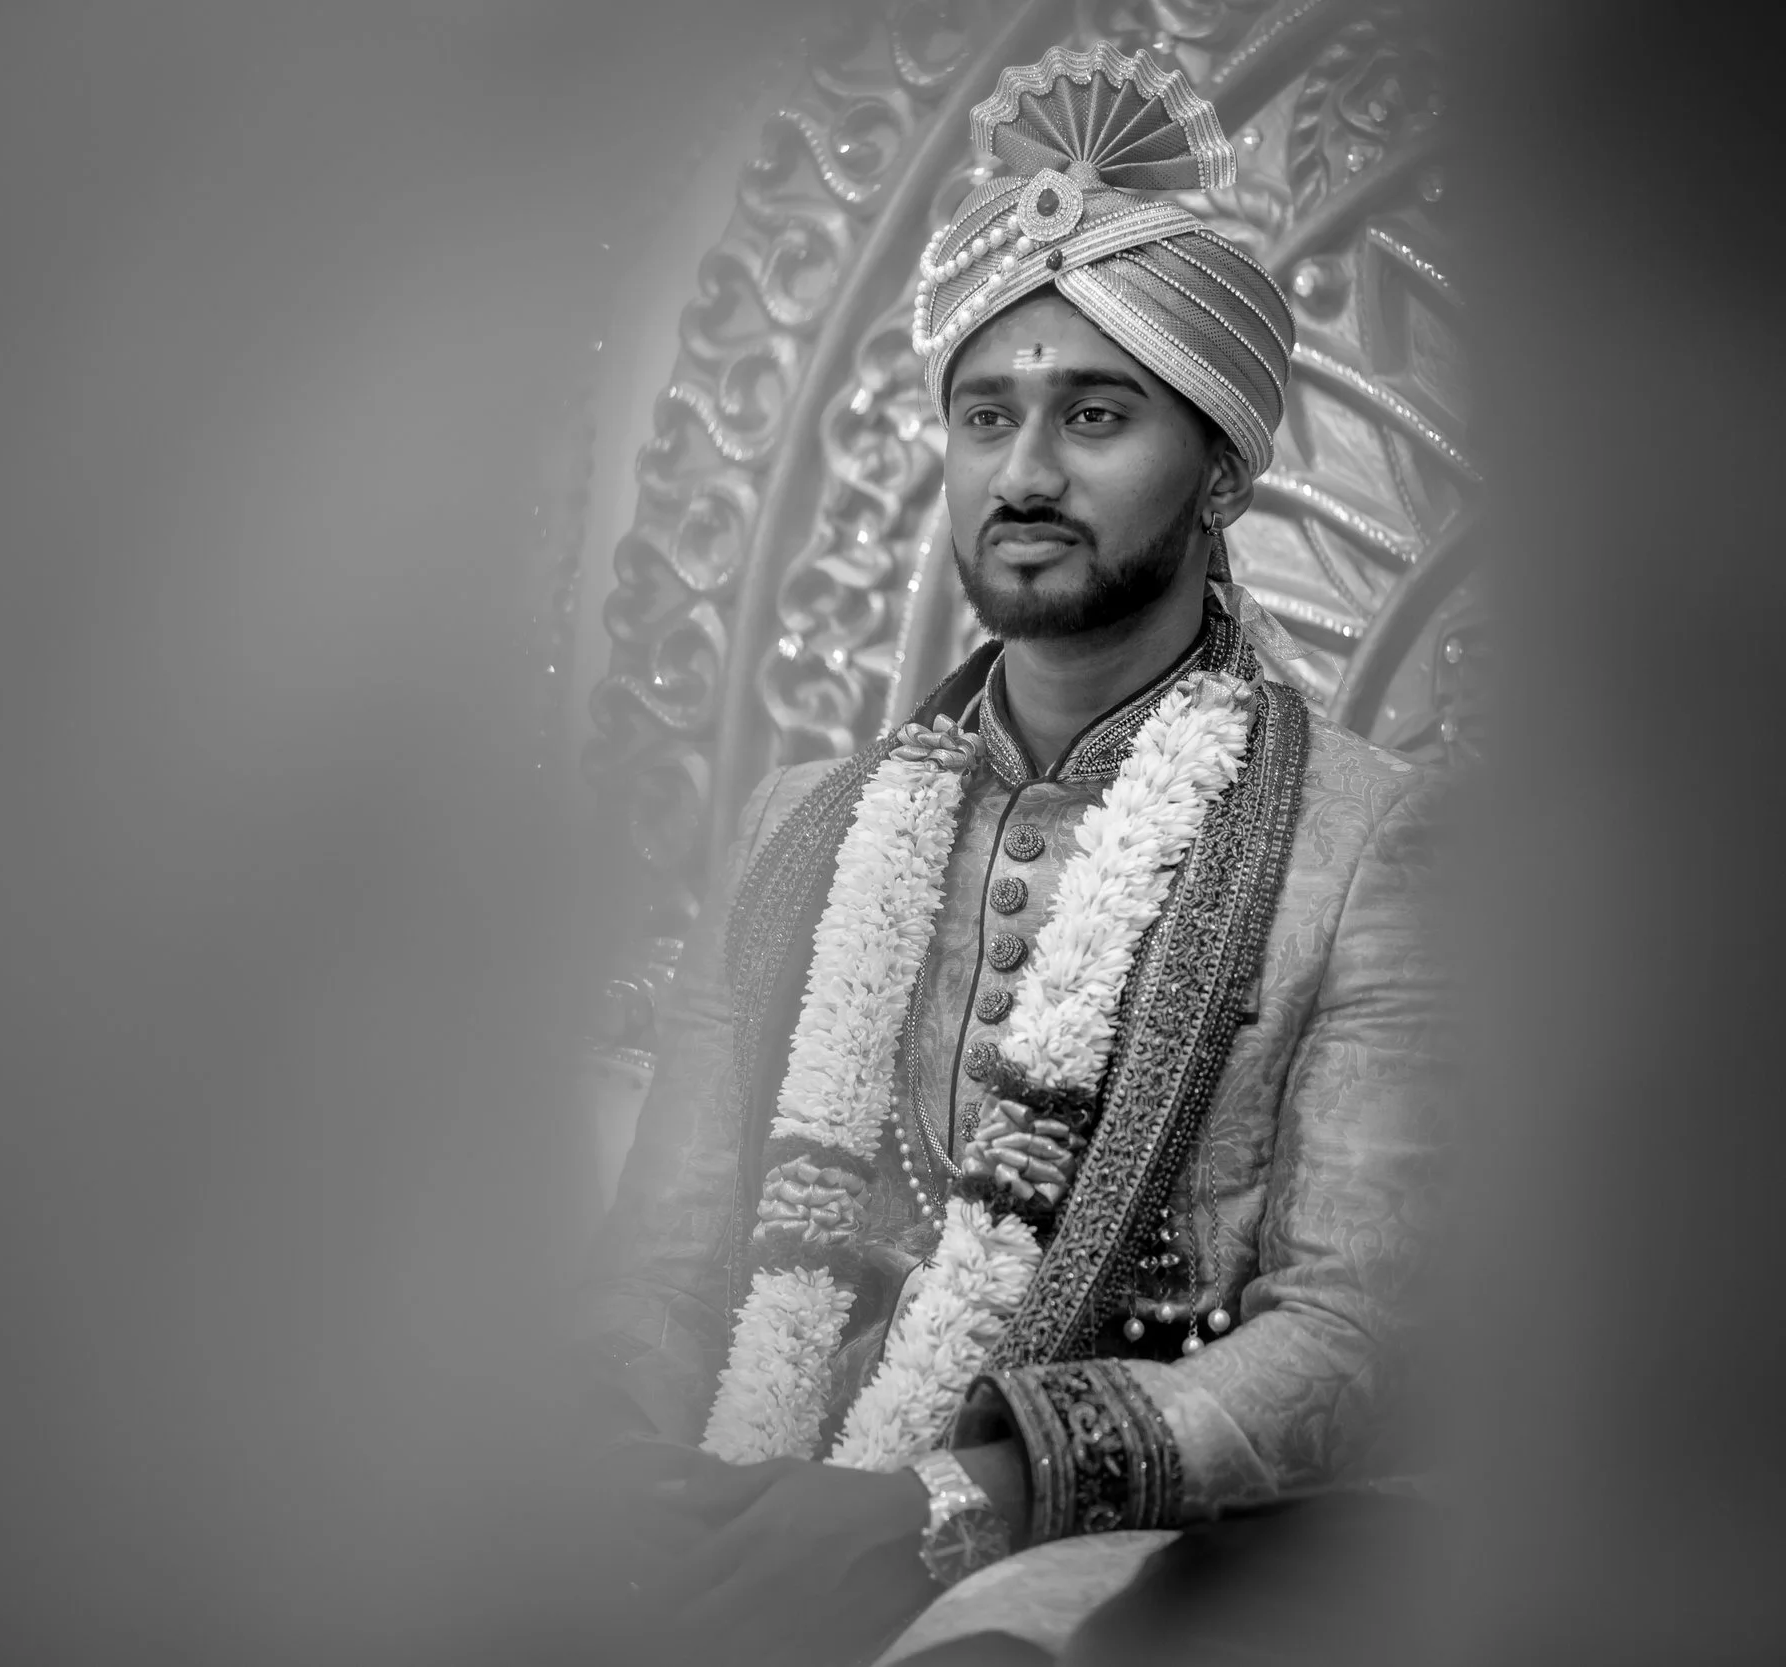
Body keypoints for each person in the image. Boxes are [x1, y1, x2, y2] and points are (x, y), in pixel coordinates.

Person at [576, 43, 1450, 1665]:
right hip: (737, 1515)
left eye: (1096, 415)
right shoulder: (804, 827)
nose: (1027, 472)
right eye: (988, 416)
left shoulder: (1371, 840)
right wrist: (630, 1490)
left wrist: (957, 1502)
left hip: (1104, 1568)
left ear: (1223, 471)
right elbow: (665, 1274)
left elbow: (1348, 1341)